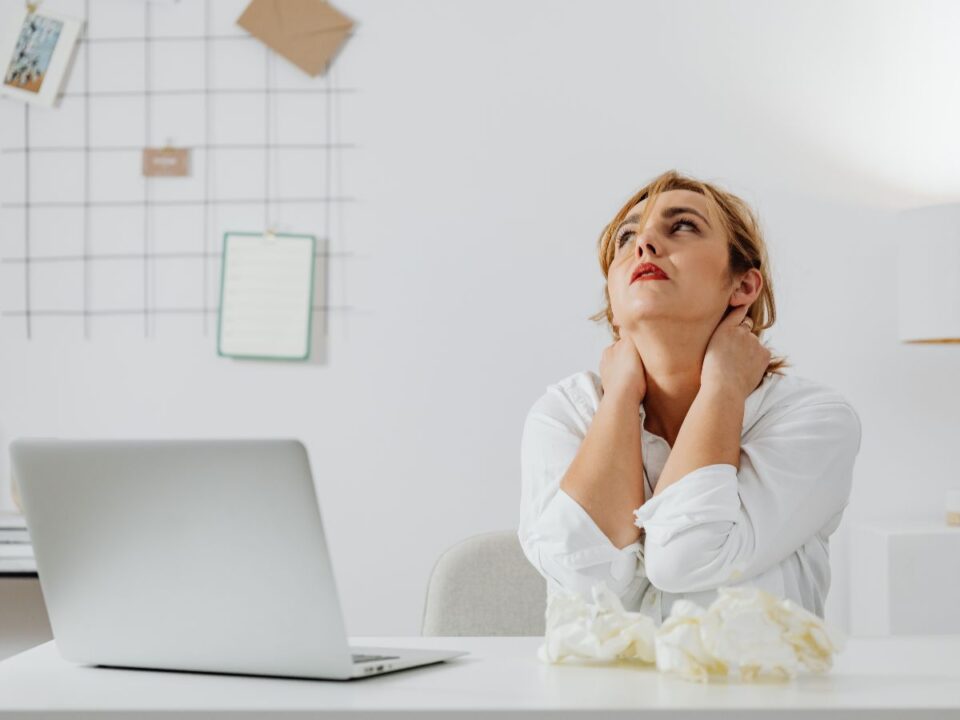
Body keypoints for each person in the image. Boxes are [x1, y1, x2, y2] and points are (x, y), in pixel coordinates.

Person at [518, 169, 861, 622]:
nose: (644, 244)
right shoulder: (566, 413)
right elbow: (582, 578)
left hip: (756, 692)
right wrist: (620, 393)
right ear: (613, 300)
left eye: (682, 226)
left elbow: (686, 558)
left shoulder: (814, 420)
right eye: (626, 237)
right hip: (596, 693)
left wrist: (723, 386)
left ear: (743, 286)